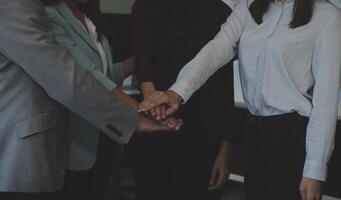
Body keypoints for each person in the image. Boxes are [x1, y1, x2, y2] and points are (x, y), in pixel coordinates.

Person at [138, 0, 341, 199]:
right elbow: (216, 49)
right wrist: (177, 92)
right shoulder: (249, 8)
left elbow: (326, 102)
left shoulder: (327, 17)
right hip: (256, 132)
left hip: (294, 138)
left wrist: (314, 170)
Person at [0, 0, 175, 199]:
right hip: (23, 157)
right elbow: (69, 79)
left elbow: (103, 73)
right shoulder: (16, 5)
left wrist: (145, 59)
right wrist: (135, 117)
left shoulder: (87, 19)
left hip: (81, 141)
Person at [132, 0, 236, 199]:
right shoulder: (145, 6)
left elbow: (224, 86)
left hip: (204, 134)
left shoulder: (220, 11)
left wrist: (225, 147)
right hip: (154, 122)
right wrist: (152, 101)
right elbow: (143, 62)